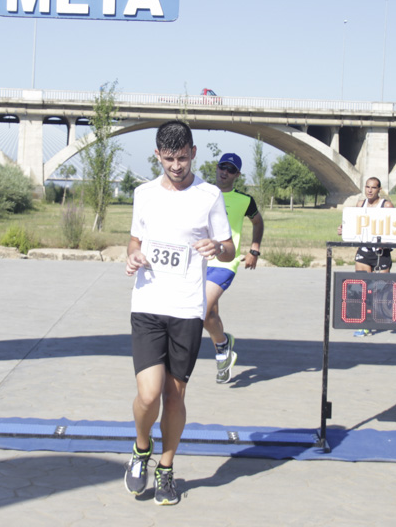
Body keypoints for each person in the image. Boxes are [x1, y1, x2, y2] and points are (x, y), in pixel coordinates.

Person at [123, 120, 235, 506]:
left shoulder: (209, 196)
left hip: (188, 308)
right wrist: (132, 255)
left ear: (194, 153)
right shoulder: (144, 193)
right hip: (149, 304)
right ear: (157, 155)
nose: (176, 166)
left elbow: (229, 247)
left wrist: (215, 248)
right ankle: (141, 449)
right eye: (169, 158)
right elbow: (135, 239)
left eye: (183, 158)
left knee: (174, 397)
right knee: (149, 394)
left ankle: (166, 468)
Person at [204, 152, 264, 384]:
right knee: (209, 314)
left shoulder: (245, 200)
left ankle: (222, 346)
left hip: (225, 263)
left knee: (200, 309)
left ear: (237, 174)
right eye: (222, 167)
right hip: (198, 261)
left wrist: (254, 250)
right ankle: (223, 351)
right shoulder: (202, 193)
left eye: (230, 169)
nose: (224, 172)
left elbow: (257, 222)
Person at [337, 176, 394, 337]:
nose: (369, 190)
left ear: (379, 190)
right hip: (364, 252)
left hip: (381, 253)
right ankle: (364, 323)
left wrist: (386, 241)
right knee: (362, 289)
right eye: (367, 187)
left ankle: (379, 316)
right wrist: (343, 229)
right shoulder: (360, 205)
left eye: (373, 188)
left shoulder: (386, 206)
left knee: (381, 291)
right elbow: (352, 225)